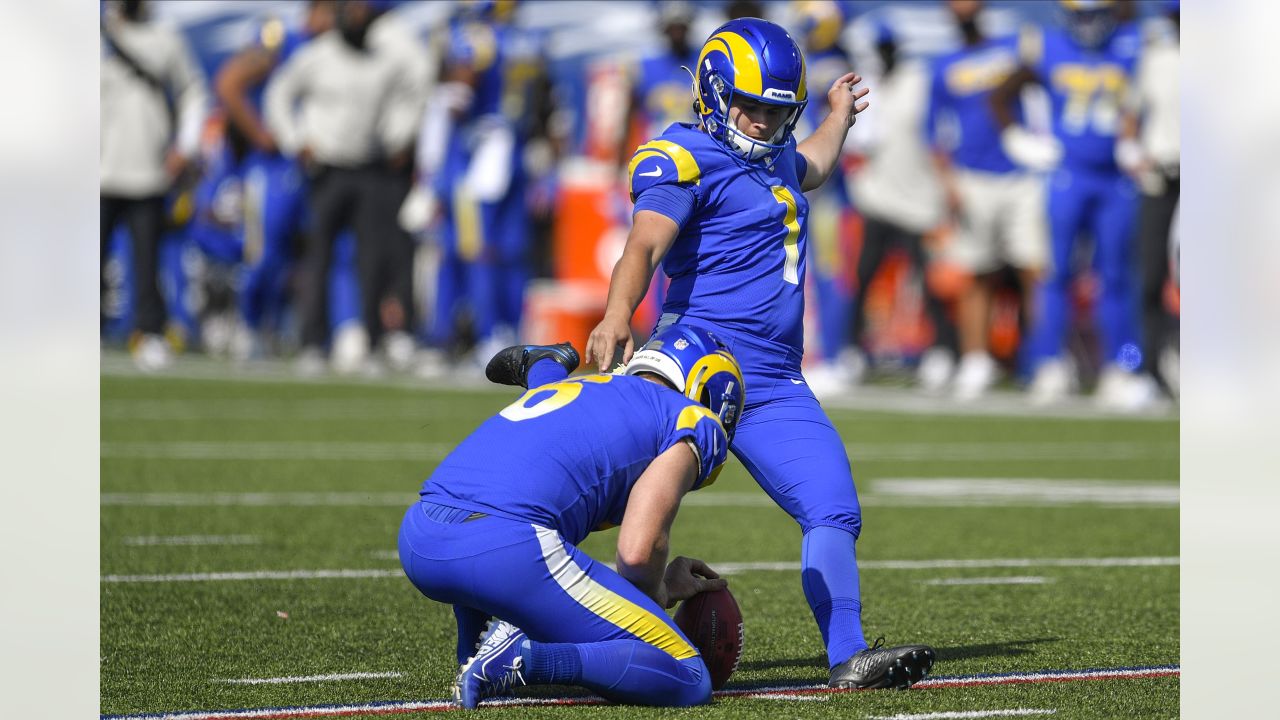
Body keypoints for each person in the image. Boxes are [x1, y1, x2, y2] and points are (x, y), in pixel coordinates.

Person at [584, 17, 934, 689]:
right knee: (613, 511)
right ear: (715, 94)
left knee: (833, 508)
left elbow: (818, 162)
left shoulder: (776, 153)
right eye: (752, 108)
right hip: (696, 363)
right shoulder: (683, 154)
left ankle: (848, 656)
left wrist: (839, 116)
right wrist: (616, 314)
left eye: (779, 113)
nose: (763, 124)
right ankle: (537, 629)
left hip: (773, 379)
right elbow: (646, 244)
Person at [399, 324, 744, 708]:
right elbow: (636, 552)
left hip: (420, 538)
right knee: (691, 678)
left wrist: (543, 366)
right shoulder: (693, 418)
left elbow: (547, 401)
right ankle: (524, 659)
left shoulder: (583, 387)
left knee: (518, 516)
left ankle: (479, 652)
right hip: (501, 551)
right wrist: (657, 591)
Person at [989, 0, 1143, 407]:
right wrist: (1016, 139)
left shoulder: (1132, 44)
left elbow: (1149, 100)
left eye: (1097, 14)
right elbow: (1000, 95)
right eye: (1081, 15)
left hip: (1116, 178)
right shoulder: (1048, 46)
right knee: (1055, 273)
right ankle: (1049, 363)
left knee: (1116, 275)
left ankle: (1121, 365)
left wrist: (1136, 140)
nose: (1089, 24)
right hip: (1067, 175)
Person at [265, 0, 428, 375]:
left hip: (369, 167)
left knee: (371, 260)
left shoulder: (383, 57)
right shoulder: (316, 56)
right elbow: (279, 94)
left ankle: (371, 341)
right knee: (318, 257)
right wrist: (295, 140)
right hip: (327, 169)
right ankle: (312, 342)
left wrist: (399, 136)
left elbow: (416, 89)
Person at [926, 0, 1049, 401]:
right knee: (976, 273)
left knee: (1034, 268)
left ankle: (1045, 359)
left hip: (1020, 174)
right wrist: (948, 183)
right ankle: (975, 360)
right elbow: (935, 133)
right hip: (972, 176)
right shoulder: (943, 65)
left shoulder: (1013, 44)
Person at [211, 1, 337, 361]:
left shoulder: (335, 50)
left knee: (299, 256)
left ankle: (277, 327)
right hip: (273, 166)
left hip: (313, 167)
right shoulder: (282, 38)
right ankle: (248, 324)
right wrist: (263, 133)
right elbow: (229, 82)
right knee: (263, 250)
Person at [845, 21, 956, 394]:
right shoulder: (866, 83)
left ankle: (943, 351)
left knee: (930, 280)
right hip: (876, 196)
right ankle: (852, 350)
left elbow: (939, 132)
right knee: (863, 276)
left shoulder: (919, 80)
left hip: (919, 199)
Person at [100, 0, 209, 371]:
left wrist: (186, 145)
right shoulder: (96, 36)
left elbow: (193, 92)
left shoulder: (165, 38)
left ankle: (149, 332)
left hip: (148, 167)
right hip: (98, 167)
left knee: (147, 259)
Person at [1117, 0, 1179, 402]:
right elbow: (1130, 112)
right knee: (1151, 274)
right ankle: (1153, 370)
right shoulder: (1155, 57)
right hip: (1161, 177)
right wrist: (1129, 147)